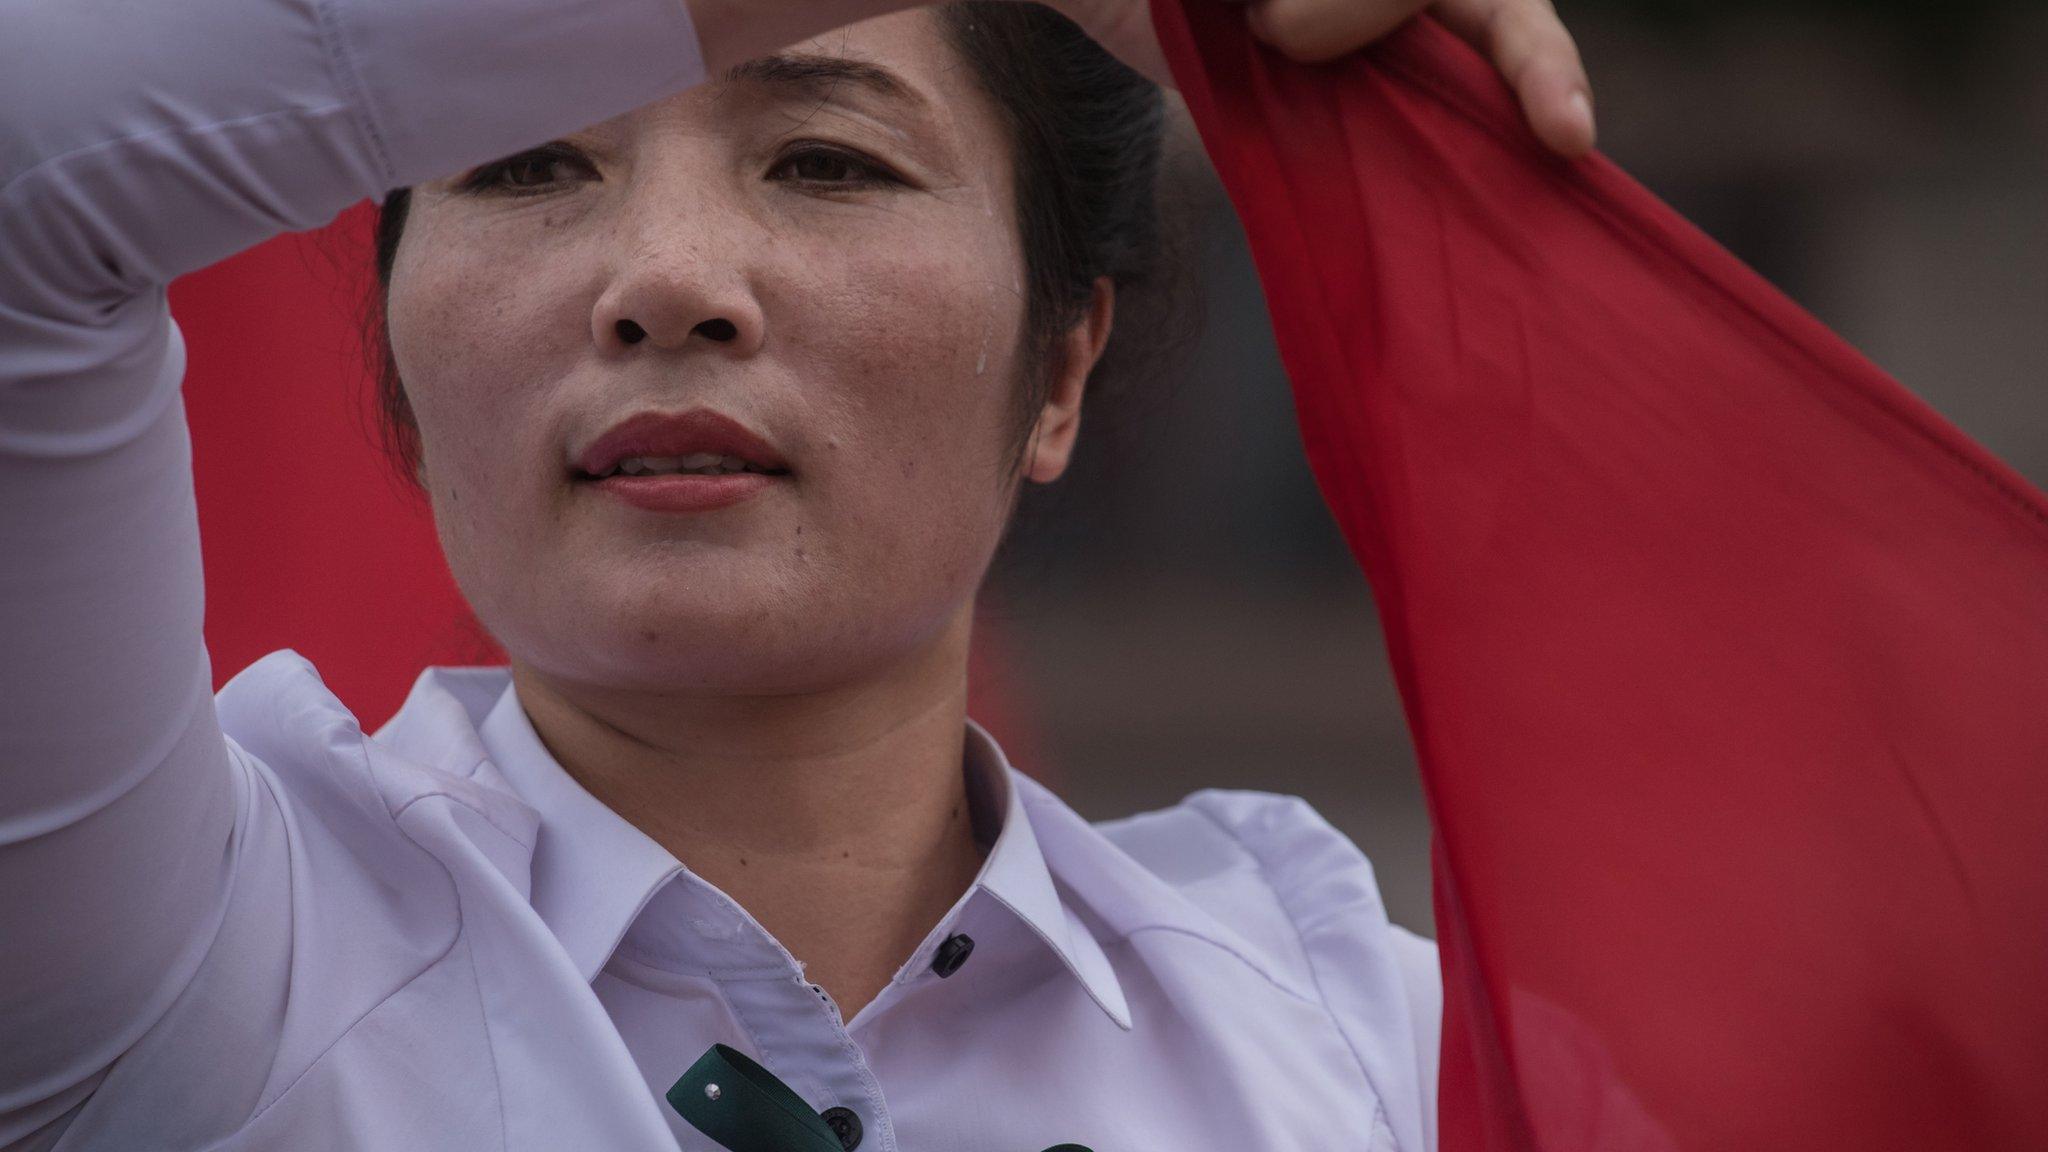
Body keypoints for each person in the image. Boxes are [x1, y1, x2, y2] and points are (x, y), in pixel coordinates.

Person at [0, 1, 1593, 1149]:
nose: (668, 281)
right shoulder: (194, 972)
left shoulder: (1372, 1052)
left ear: (1061, 368)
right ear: (409, 378)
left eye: (827, 163)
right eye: (521, 168)